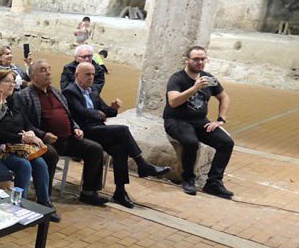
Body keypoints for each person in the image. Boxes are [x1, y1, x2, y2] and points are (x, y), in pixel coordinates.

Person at [63, 62, 170, 208]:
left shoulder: (93, 90)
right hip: (83, 130)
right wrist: (98, 114)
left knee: (120, 150)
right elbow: (81, 112)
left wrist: (113, 108)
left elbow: (106, 111)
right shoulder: (70, 91)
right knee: (123, 130)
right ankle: (142, 164)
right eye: (87, 74)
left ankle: (120, 192)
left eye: (93, 74)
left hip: (98, 129)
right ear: (77, 75)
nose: (91, 77)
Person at [15, 60, 109, 206]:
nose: (48, 72)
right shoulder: (24, 96)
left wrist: (76, 128)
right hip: (43, 141)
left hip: (68, 138)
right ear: (33, 77)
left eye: (49, 69)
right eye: (43, 70)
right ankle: (44, 198)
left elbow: (68, 115)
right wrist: (43, 134)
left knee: (95, 148)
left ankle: (89, 193)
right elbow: (25, 123)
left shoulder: (56, 92)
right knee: (51, 154)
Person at [0, 70, 60, 221]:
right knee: (24, 165)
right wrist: (22, 138)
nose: (12, 84)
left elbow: (27, 123)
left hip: (21, 147)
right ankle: (19, 206)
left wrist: (32, 134)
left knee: (40, 163)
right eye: (8, 81)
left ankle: (44, 203)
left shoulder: (14, 102)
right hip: (1, 148)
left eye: (13, 81)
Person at [163, 46, 235, 198]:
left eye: (203, 59)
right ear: (187, 60)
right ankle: (188, 179)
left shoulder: (208, 78)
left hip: (200, 121)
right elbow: (173, 102)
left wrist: (220, 119)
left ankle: (214, 183)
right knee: (191, 142)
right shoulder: (177, 78)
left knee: (226, 142)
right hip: (176, 120)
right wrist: (195, 88)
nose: (200, 62)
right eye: (196, 59)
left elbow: (224, 97)